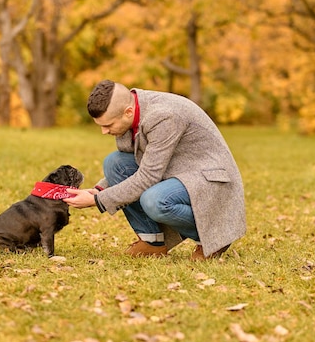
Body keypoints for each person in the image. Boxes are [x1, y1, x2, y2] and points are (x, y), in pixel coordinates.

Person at [63, 80, 246, 260]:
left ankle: (214, 237)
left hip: (209, 177)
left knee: (155, 201)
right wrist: (99, 190)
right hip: (177, 171)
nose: (104, 131)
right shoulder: (131, 112)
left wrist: (97, 200)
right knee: (115, 162)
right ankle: (153, 242)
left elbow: (147, 176)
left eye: (108, 125)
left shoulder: (163, 116)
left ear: (128, 112)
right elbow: (135, 164)